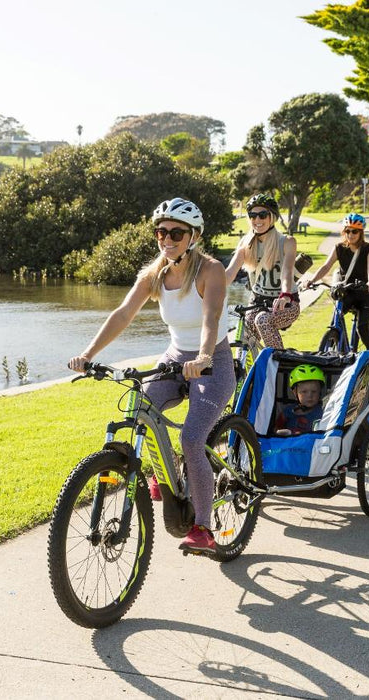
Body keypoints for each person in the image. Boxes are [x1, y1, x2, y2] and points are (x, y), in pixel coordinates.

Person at [68, 197, 233, 555]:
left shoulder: (210, 270)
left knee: (192, 439)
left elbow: (212, 318)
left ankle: (203, 526)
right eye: (161, 231)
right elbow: (123, 313)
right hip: (174, 359)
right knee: (138, 406)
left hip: (213, 361)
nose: (167, 238)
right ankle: (164, 472)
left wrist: (204, 356)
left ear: (194, 235)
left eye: (176, 232)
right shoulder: (154, 274)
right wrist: (88, 354)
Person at [224, 193, 299, 350]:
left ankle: (279, 364)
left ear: (271, 217)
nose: (257, 220)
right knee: (244, 335)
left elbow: (287, 272)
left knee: (262, 320)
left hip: (285, 304)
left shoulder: (287, 242)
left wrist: (285, 295)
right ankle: (246, 370)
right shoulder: (246, 245)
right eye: (253, 215)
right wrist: (206, 289)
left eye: (262, 215)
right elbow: (229, 274)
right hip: (257, 302)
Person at [298, 213, 369, 351]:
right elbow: (326, 266)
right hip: (346, 291)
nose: (351, 234)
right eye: (347, 231)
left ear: (361, 233)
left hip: (364, 292)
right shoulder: (339, 248)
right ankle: (337, 346)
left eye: (355, 231)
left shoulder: (368, 249)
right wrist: (311, 280)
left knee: (362, 327)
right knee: (336, 319)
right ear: (343, 232)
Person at [275, 365, 325, 436]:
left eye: (314, 391)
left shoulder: (323, 412)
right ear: (295, 393)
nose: (310, 396)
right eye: (304, 392)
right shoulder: (288, 411)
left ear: (320, 392)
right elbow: (276, 429)